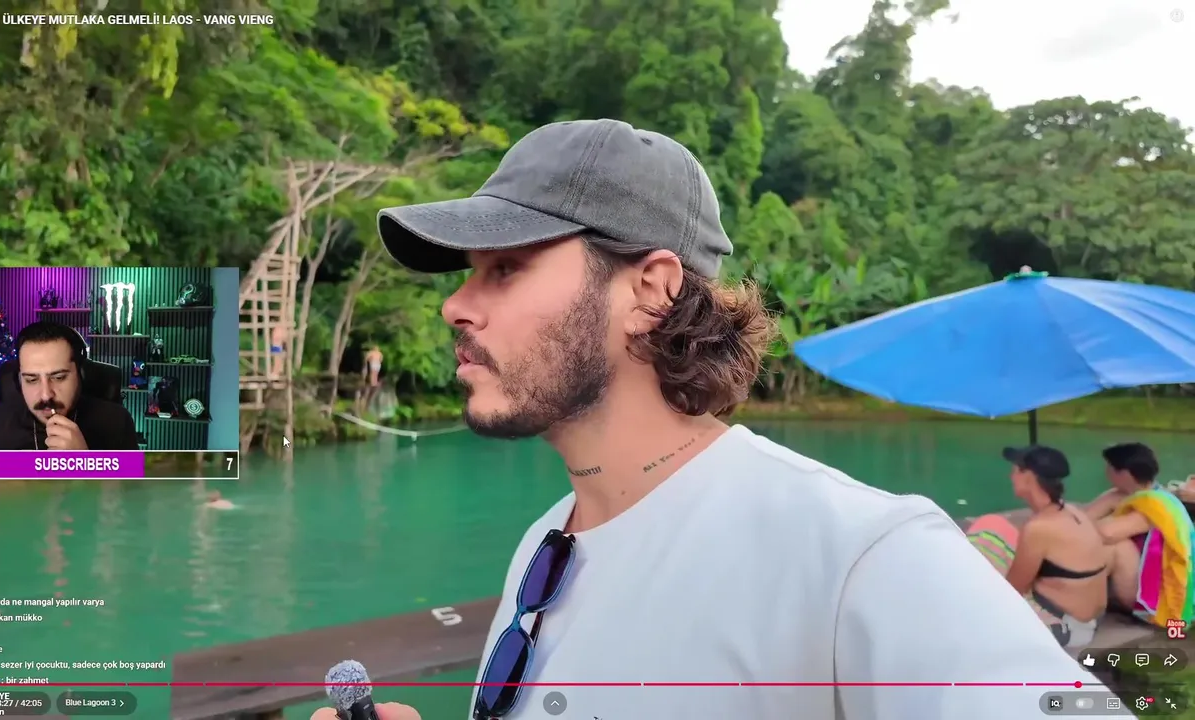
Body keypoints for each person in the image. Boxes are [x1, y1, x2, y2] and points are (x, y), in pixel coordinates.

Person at [310, 119, 1093, 720]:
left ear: (650, 289)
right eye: (470, 274)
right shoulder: (541, 549)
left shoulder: (859, 555)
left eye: (507, 268)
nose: (455, 305)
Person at [964, 446, 1109, 648]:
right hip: (1086, 617)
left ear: (1029, 477)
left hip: (1066, 627)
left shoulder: (1038, 528)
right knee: (991, 525)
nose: (1010, 476)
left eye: (1015, 470)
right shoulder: (1071, 511)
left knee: (978, 568)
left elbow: (1012, 592)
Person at [0, 321, 138, 451]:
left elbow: (137, 493)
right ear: (18, 381)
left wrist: (87, 466)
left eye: (58, 377)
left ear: (81, 375)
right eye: (31, 380)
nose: (45, 395)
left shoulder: (116, 422)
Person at [1089, 443, 1193, 627]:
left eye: (1109, 467)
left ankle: (1083, 609)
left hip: (1157, 593)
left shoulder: (1156, 504)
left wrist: (1090, 524)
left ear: (1124, 474)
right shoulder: (1120, 495)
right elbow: (1081, 518)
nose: (1106, 472)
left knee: (1117, 547)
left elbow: (1107, 533)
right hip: (1133, 577)